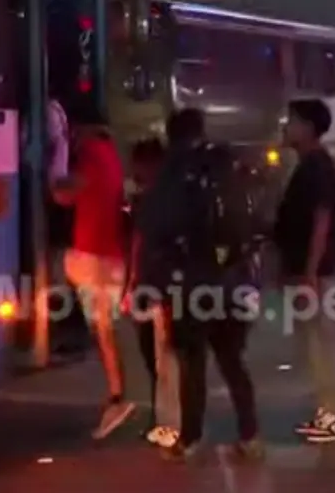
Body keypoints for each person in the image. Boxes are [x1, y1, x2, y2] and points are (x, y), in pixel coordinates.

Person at [139, 109, 261, 461]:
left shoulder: (171, 172)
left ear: (170, 134)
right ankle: (250, 435)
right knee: (232, 360)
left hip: (189, 282)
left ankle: (190, 438)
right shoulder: (225, 166)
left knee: (192, 364)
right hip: (232, 279)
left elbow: (156, 230)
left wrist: (151, 283)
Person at [275, 98, 335, 443]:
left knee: (324, 343)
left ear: (308, 127)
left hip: (316, 273)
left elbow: (322, 219)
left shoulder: (317, 166)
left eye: (291, 121)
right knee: (316, 344)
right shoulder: (308, 165)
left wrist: (309, 272)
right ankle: (327, 412)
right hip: (309, 270)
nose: (286, 126)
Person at [54, 123, 134, 438]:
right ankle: (116, 394)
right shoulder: (111, 154)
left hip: (94, 259)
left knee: (103, 330)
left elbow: (64, 194)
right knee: (104, 330)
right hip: (110, 257)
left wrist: (55, 165)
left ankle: (118, 396)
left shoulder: (90, 155)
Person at [123, 138, 180, 448]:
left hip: (157, 286)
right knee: (161, 356)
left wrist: (132, 284)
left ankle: (170, 423)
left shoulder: (153, 200)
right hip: (162, 284)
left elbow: (139, 244)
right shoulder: (170, 195)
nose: (135, 171)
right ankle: (166, 419)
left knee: (163, 356)